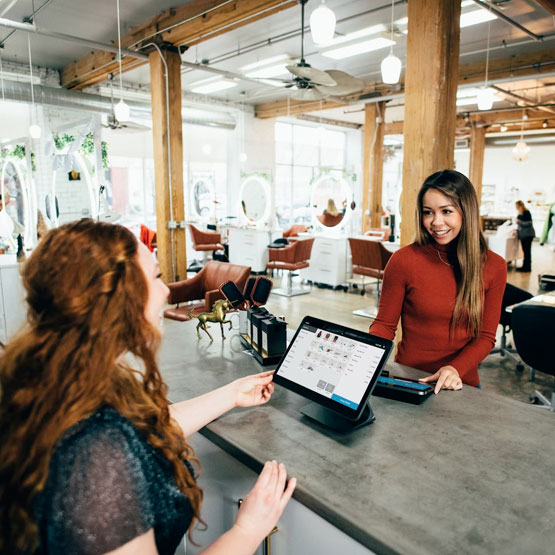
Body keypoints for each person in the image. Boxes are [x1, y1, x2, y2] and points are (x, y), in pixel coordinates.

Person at [0, 219, 295, 555]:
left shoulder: (58, 378)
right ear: (118, 300)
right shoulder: (96, 456)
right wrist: (248, 529)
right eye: (156, 277)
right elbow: (113, 438)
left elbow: (143, 428)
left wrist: (231, 394)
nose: (166, 291)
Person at [369, 170, 507, 393]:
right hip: (409, 379)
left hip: (460, 384)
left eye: (446, 211)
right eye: (428, 212)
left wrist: (454, 369)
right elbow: (384, 326)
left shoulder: (494, 266)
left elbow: (486, 337)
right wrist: (365, 357)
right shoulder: (404, 260)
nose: (436, 222)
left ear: (466, 211)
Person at [515, 200, 535, 272]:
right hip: (523, 235)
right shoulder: (520, 213)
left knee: (527, 252)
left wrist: (519, 222)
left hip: (528, 235)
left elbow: (529, 223)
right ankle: (525, 266)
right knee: (525, 251)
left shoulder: (526, 212)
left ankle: (527, 267)